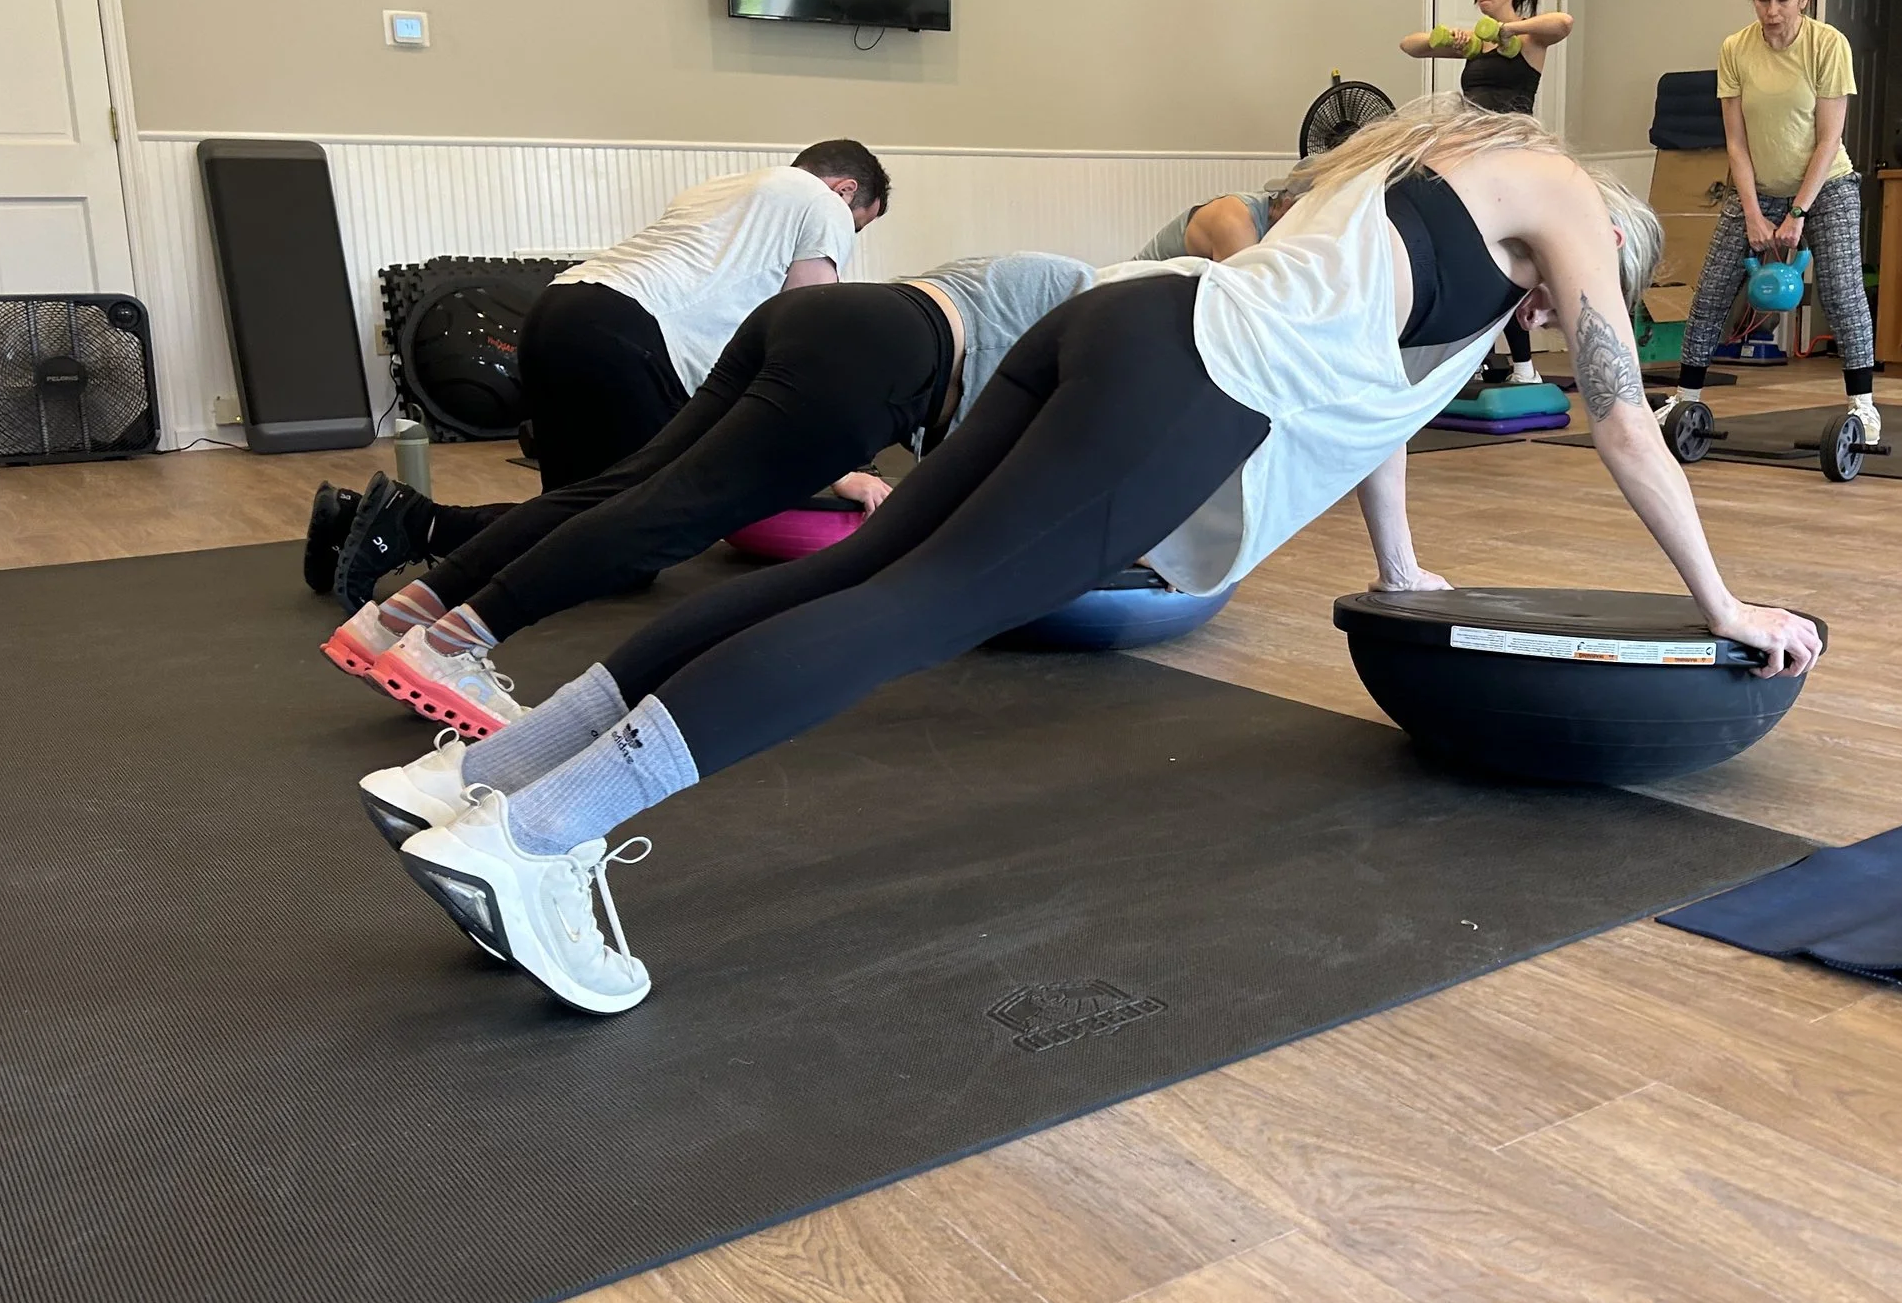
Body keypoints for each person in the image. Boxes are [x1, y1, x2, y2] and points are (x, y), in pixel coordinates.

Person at [362, 96, 1822, 1016]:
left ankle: (480, 775)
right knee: (913, 613)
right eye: (1568, 294)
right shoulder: (1569, 200)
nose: (1547, 314)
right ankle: (533, 839)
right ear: (1603, 244)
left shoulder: (1430, 159)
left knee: (843, 574)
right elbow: (1623, 423)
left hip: (1118, 318)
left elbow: (1379, 400)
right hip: (1185, 388)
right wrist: (1723, 601)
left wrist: (1405, 562)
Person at [327, 254, 1101, 739]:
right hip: (887, 357)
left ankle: (399, 618)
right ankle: (453, 645)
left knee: (623, 485)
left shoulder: (1063, 279)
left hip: (820, 315)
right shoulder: (1115, 320)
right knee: (671, 516)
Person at [307, 140, 891, 607]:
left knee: (578, 512)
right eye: (858, 224)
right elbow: (806, 337)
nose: (849, 235)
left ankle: (355, 519)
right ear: (845, 190)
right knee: (623, 537)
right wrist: (842, 469)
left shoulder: (726, 189)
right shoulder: (822, 204)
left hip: (559, 309)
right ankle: (411, 522)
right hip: (623, 332)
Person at [1657, 0, 1877, 444]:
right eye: (1762, 0)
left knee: (1842, 292)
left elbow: (1829, 139)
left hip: (1826, 185)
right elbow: (1736, 142)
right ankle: (1685, 398)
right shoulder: (1736, 48)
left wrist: (1798, 212)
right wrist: (1754, 213)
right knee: (1712, 290)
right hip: (1757, 188)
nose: (1772, 11)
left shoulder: (1828, 45)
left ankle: (1863, 406)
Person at [1400, 0, 1574, 383]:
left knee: (1511, 260)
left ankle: (1525, 367)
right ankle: (1475, 360)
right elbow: (1410, 45)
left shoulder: (1529, 39)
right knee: (1479, 258)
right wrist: (1453, 38)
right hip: (1474, 156)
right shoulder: (1475, 46)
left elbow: (1564, 23)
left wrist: (1506, 30)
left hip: (1513, 155)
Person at [1135, 185, 1297, 261]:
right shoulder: (1236, 221)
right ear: (1286, 204)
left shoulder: (1276, 221)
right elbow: (1238, 298)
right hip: (1138, 293)